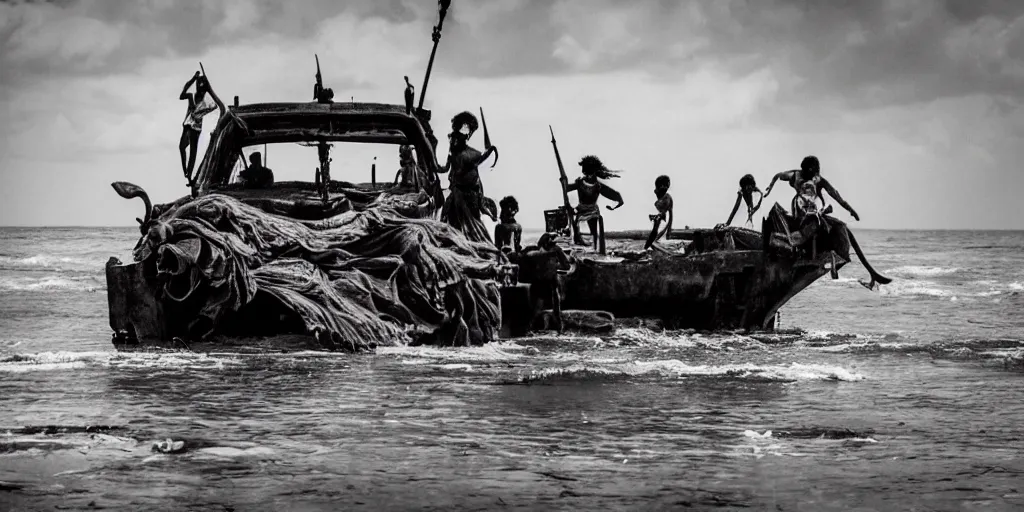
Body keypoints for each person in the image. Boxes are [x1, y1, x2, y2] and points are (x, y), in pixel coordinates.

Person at [439, 111, 498, 243]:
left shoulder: (472, 154)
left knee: (471, 232)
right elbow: (445, 168)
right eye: (465, 128)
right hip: (459, 197)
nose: (467, 133)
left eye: (469, 129)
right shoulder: (467, 154)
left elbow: (477, 178)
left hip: (470, 197)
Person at [560, 155, 624, 255]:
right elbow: (567, 189)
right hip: (581, 211)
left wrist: (615, 206)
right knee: (577, 232)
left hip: (593, 211)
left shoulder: (598, 186)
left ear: (594, 172)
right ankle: (581, 247)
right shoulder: (580, 183)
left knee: (594, 233)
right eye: (586, 173)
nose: (587, 176)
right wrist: (564, 182)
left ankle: (595, 250)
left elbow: (616, 196)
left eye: (589, 173)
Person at [179, 71, 226, 187]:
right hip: (187, 125)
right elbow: (181, 95)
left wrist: (218, 127)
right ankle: (187, 173)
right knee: (182, 147)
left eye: (201, 84)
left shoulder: (207, 101)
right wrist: (193, 78)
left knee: (193, 153)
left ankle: (190, 177)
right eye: (197, 84)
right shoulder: (191, 96)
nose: (198, 87)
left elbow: (220, 107)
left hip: (195, 128)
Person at [520, 232, 571, 333]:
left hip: (538, 282)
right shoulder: (556, 250)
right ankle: (559, 329)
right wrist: (556, 266)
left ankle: (529, 329)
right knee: (555, 309)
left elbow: (523, 258)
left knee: (535, 308)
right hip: (551, 282)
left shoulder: (533, 251)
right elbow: (566, 266)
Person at [644, 175, 673, 250]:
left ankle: (650, 250)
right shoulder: (662, 196)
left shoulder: (667, 198)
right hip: (659, 220)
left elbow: (669, 214)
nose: (666, 187)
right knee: (653, 237)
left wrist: (669, 229)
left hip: (663, 220)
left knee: (656, 238)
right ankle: (647, 250)